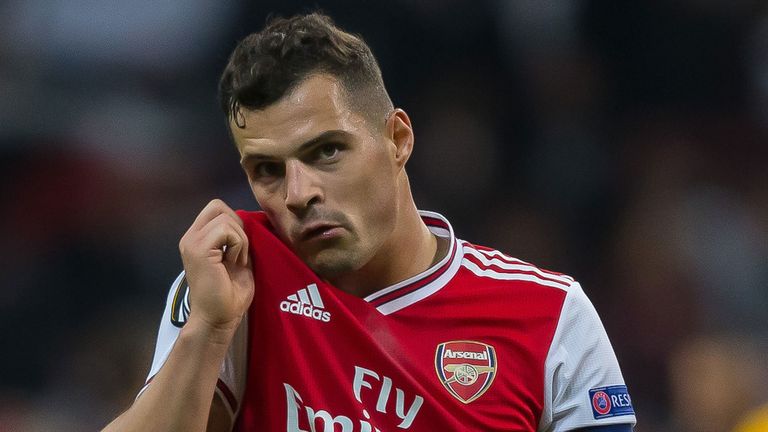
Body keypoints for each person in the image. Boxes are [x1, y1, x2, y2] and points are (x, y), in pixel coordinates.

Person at [104, 12, 636, 432]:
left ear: (398, 139)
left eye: (327, 151)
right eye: (268, 169)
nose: (298, 193)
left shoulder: (550, 317)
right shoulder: (236, 279)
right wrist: (208, 330)